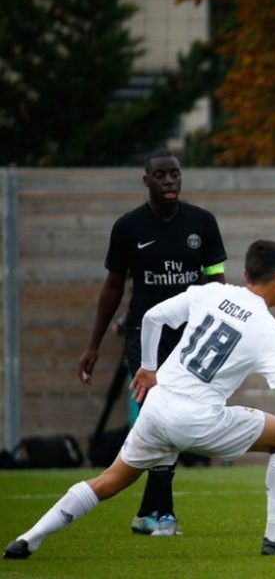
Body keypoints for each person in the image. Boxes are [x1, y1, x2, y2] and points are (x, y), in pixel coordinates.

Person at [4, 240, 275, 560]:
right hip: (198, 421)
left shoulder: (211, 292)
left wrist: (147, 368)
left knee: (108, 482)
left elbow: (153, 317)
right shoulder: (270, 331)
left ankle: (29, 538)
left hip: (157, 408)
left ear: (245, 273)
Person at [77, 149, 227, 537]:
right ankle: (164, 515)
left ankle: (148, 512)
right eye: (160, 175)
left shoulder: (203, 224)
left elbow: (216, 283)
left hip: (190, 339)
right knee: (157, 413)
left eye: (174, 175)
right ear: (146, 180)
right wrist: (93, 344)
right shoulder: (128, 228)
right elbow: (112, 287)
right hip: (145, 338)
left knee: (170, 418)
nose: (169, 182)